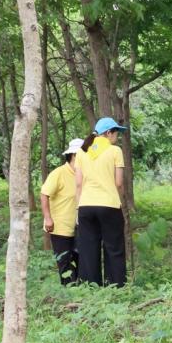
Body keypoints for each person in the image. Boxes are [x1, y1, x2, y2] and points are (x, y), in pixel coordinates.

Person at [74, 117, 127, 287]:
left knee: (89, 248)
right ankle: (116, 285)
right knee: (114, 247)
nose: (117, 136)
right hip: (109, 204)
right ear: (108, 133)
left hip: (85, 206)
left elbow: (78, 183)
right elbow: (118, 183)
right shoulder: (115, 151)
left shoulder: (82, 152)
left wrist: (77, 208)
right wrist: (119, 199)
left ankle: (91, 286)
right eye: (116, 132)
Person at [41, 138, 83, 286]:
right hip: (60, 227)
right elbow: (44, 194)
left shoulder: (82, 175)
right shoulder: (58, 173)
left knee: (79, 260)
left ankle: (79, 289)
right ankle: (67, 291)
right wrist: (48, 218)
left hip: (78, 226)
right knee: (64, 262)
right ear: (74, 155)